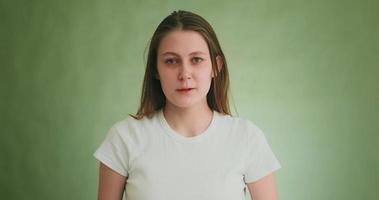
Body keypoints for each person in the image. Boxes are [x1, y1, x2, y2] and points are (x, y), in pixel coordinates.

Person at [93, 10, 282, 200]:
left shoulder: (247, 138)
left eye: (196, 60)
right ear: (155, 69)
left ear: (216, 66)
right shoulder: (124, 138)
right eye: (171, 61)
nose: (185, 74)